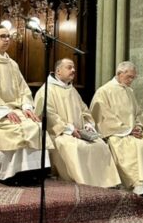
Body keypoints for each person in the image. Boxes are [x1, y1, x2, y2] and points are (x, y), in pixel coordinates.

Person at [0, 24, 53, 183]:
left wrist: (27, 107)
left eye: (8, 36)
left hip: (15, 108)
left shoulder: (12, 64)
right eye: (3, 36)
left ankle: (33, 172)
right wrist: (4, 111)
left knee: (35, 125)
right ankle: (10, 174)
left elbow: (23, 90)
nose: (7, 39)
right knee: (18, 127)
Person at [34, 58, 121, 188]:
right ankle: (84, 184)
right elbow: (49, 114)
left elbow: (85, 110)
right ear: (58, 71)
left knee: (100, 145)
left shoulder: (72, 89)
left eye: (74, 67)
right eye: (69, 67)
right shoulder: (46, 90)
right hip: (59, 134)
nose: (73, 70)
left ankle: (106, 183)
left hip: (79, 132)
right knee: (76, 147)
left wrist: (88, 125)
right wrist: (69, 129)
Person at [90, 61, 143, 196]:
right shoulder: (104, 91)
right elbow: (104, 116)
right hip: (116, 133)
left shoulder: (129, 91)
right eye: (129, 77)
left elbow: (138, 113)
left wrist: (138, 127)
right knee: (134, 147)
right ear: (120, 74)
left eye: (133, 77)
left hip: (133, 132)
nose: (131, 80)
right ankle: (139, 186)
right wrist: (127, 130)